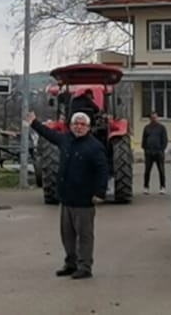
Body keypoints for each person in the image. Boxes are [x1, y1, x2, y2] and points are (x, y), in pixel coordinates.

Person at [27, 109, 109, 279]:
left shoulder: (95, 147)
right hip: (67, 198)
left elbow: (102, 171)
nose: (79, 127)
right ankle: (71, 263)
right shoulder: (66, 140)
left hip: (85, 200)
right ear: (71, 126)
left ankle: (85, 266)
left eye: (82, 124)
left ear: (88, 127)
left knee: (84, 236)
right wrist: (34, 123)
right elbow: (49, 134)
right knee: (67, 235)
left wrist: (100, 193)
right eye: (76, 124)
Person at [141, 113, 168, 194]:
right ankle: (146, 187)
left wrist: (162, 149)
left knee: (161, 171)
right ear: (150, 119)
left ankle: (162, 187)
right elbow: (144, 140)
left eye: (155, 117)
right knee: (147, 171)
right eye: (152, 118)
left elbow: (164, 140)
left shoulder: (162, 128)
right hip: (149, 153)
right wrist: (145, 150)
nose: (154, 119)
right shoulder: (147, 128)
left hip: (159, 153)